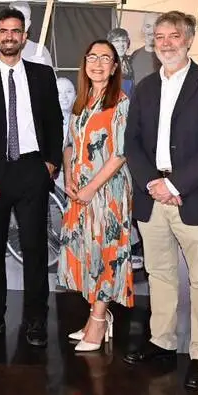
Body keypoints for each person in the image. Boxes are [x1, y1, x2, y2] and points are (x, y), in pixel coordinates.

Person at [122, 11, 198, 392]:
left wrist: (174, 184)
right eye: (160, 37)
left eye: (174, 36)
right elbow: (131, 142)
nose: (166, 43)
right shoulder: (146, 87)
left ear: (188, 40)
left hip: (195, 198)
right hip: (152, 198)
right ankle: (162, 342)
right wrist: (153, 183)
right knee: (160, 273)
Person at [0, 7, 64, 347]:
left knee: (35, 250)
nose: (9, 36)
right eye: (4, 31)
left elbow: (55, 121)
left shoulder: (42, 75)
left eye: (15, 31)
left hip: (32, 171)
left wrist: (50, 163)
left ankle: (36, 321)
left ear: (24, 36)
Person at [60, 40, 134, 352]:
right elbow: (68, 145)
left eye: (106, 58)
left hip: (107, 192)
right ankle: (96, 316)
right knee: (87, 251)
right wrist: (68, 178)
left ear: (115, 67)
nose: (98, 64)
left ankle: (99, 320)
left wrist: (91, 188)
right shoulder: (83, 101)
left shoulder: (120, 102)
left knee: (105, 251)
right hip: (79, 191)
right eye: (93, 57)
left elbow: (120, 154)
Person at [9, 1, 53, 67]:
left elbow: (51, 74)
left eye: (24, 17)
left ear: (28, 24)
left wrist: (44, 69)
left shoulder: (41, 50)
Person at [129, 12, 161, 85]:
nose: (152, 31)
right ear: (143, 29)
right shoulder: (135, 55)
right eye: (148, 26)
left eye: (155, 26)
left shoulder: (168, 57)